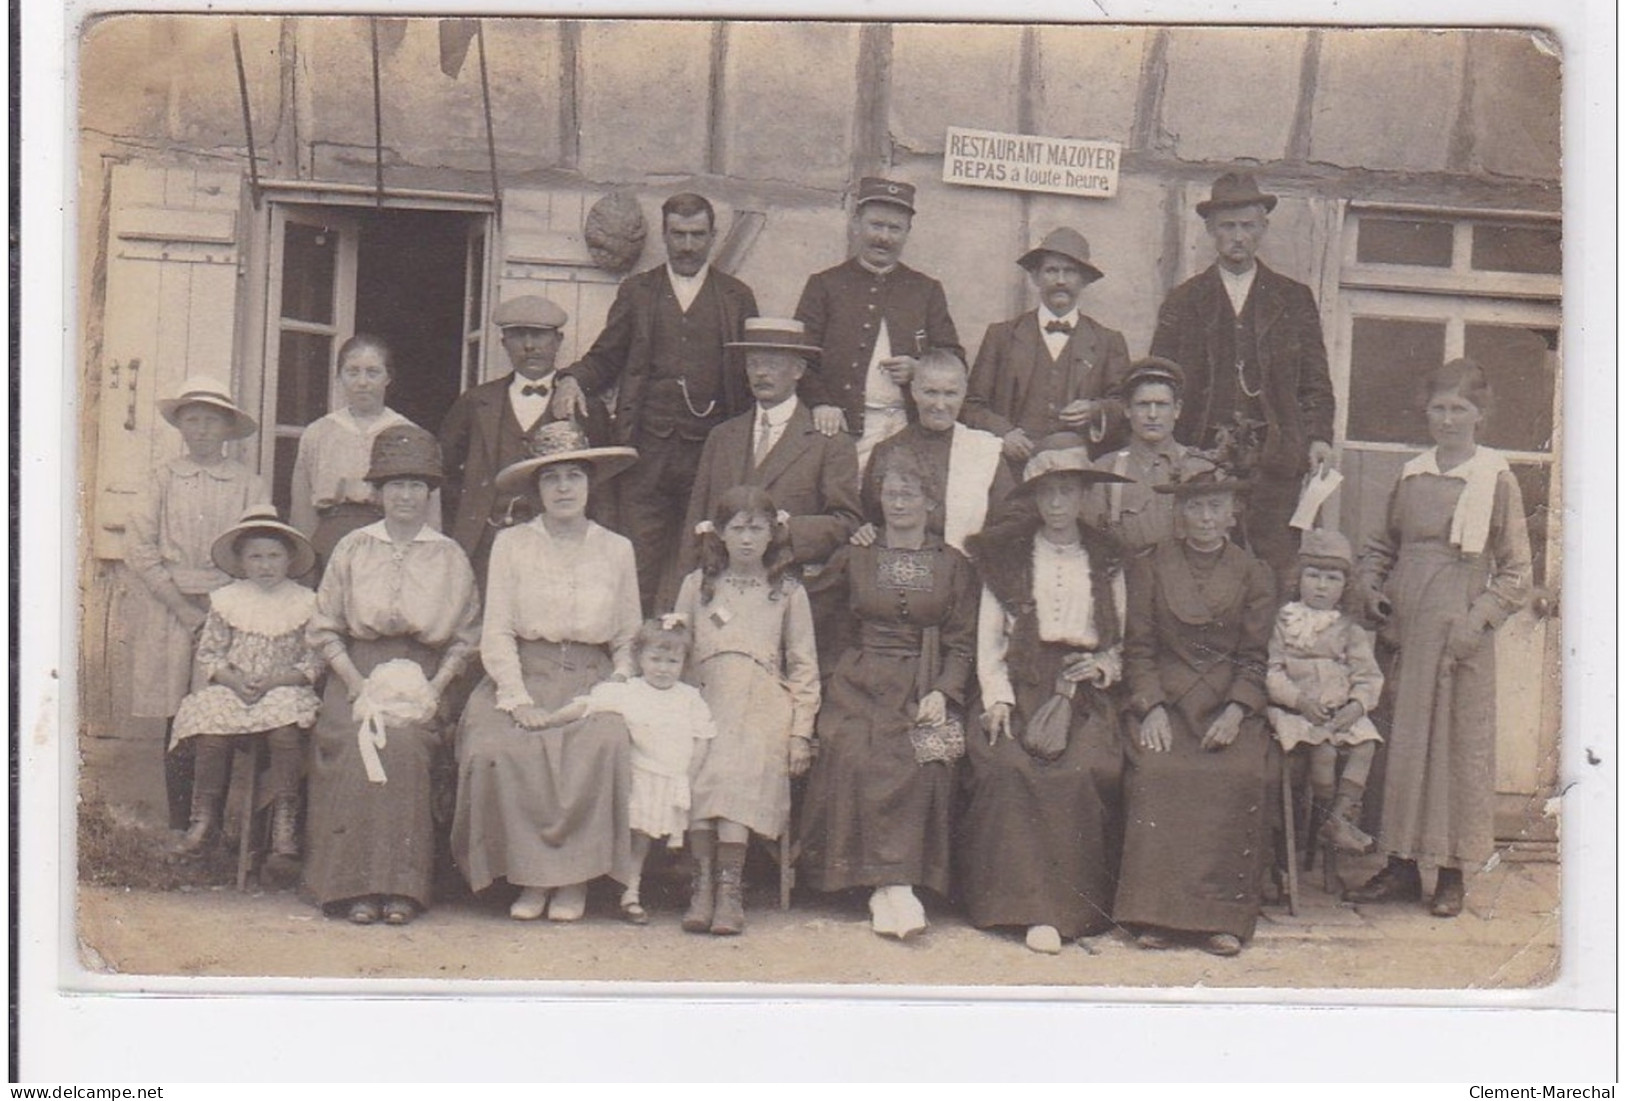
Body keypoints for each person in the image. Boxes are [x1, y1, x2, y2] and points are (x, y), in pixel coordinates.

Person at [1348, 359, 1532, 918]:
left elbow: (1517, 571)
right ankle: (1400, 866)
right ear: (1425, 412)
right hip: (1405, 625)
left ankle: (1451, 872)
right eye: (1439, 408)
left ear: (1481, 414)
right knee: (1400, 746)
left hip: (1458, 632)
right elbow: (1382, 545)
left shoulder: (1495, 478)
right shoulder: (1411, 474)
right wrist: (1373, 588)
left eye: (1460, 409)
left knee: (1455, 748)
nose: (1448, 420)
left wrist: (1476, 621)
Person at [451, 420, 643, 924]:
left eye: (573, 477)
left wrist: (613, 687)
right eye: (551, 478)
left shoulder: (615, 548)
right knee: (499, 746)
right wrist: (516, 697)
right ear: (537, 489)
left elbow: (627, 637)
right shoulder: (513, 544)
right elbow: (496, 631)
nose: (563, 489)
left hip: (592, 675)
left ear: (589, 484)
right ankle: (531, 878)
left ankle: (573, 881)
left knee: (602, 742)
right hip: (525, 672)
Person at [961, 435, 1133, 954]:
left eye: (1068, 493)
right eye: (1048, 494)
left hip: (1083, 696)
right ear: (1035, 500)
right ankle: (1015, 906)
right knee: (1009, 767)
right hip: (1020, 685)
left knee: (1079, 773)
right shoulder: (1008, 555)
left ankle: (1067, 910)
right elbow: (989, 641)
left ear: (1084, 498)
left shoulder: (1107, 557)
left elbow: (1123, 639)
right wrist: (997, 699)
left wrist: (1101, 666)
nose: (1058, 505)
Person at [549, 193, 761, 614]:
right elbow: (606, 356)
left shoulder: (736, 296)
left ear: (713, 237)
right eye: (678, 235)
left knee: (705, 556)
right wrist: (571, 378)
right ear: (663, 235)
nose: (687, 246)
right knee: (637, 559)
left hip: (709, 453)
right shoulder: (639, 292)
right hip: (646, 454)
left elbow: (755, 372)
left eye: (697, 235)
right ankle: (631, 656)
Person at [304, 426, 480, 926]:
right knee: (357, 738)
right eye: (395, 484)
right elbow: (324, 627)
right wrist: (355, 682)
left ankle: (403, 886)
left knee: (403, 747)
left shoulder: (448, 555)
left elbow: (466, 636)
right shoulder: (353, 548)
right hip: (355, 670)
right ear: (378, 492)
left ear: (430, 493)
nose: (406, 495)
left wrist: (435, 689)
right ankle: (351, 887)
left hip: (425, 674)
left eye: (417, 485)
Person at [798, 450, 977, 941]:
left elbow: (962, 641)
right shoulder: (860, 553)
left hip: (923, 684)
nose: (898, 503)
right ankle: (880, 885)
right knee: (852, 750)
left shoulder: (952, 563)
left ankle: (900, 884)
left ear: (930, 501)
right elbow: (816, 614)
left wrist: (945, 690)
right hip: (859, 683)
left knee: (927, 758)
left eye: (909, 494)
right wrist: (835, 675)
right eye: (890, 493)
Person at [1114, 467, 1277, 956]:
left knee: (1240, 773)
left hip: (1228, 705)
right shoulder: (1151, 565)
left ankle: (1221, 918)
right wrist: (1151, 706)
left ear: (1233, 513)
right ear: (1179, 513)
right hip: (1166, 699)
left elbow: (1255, 656)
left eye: (1215, 506)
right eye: (1195, 506)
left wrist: (1237, 709)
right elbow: (1137, 649)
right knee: (1158, 770)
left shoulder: (1254, 572)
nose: (1205, 517)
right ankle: (1157, 915)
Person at [1149, 172, 1336, 586]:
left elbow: (1315, 380)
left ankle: (1267, 649)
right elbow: (1159, 379)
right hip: (1203, 453)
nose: (1238, 237)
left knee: (1274, 563)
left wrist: (1319, 436)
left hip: (1277, 458)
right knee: (1205, 560)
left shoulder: (1293, 298)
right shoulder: (1184, 300)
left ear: (1263, 228)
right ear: (1211, 231)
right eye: (1228, 227)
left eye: (1248, 226)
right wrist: (1173, 448)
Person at [672, 487, 820, 936]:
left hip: (761, 700)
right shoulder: (698, 586)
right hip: (703, 694)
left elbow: (803, 665)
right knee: (701, 755)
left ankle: (729, 887)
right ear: (719, 533)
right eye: (737, 528)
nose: (747, 539)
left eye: (757, 529)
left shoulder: (787, 592)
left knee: (736, 757)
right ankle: (702, 887)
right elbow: (677, 649)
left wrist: (800, 731)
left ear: (773, 533)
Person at [125, 376, 269, 832]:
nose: (202, 430)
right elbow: (140, 548)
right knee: (177, 714)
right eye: (193, 420)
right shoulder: (162, 478)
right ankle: (179, 827)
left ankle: (210, 829)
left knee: (216, 710)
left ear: (228, 429)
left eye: (212, 421)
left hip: (228, 609)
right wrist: (182, 606)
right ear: (180, 426)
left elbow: (259, 549)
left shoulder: (248, 484)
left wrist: (224, 608)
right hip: (169, 608)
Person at [529, 616, 718, 925]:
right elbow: (586, 705)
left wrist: (688, 778)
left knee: (681, 839)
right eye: (655, 659)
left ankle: (694, 895)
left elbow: (702, 738)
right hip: (642, 777)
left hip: (677, 780)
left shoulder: (688, 697)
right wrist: (550, 720)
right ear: (639, 657)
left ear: (684, 662)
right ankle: (629, 895)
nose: (662, 668)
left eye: (672, 661)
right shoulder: (628, 691)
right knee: (638, 839)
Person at [167, 506, 322, 870]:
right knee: (211, 728)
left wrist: (275, 681)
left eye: (273, 556)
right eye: (255, 557)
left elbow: (313, 663)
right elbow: (210, 653)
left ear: (289, 559)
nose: (265, 565)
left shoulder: (305, 602)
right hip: (236, 689)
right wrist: (234, 680)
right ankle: (204, 821)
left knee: (286, 731)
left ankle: (285, 826)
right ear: (241, 561)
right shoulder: (227, 600)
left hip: (283, 688)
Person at [794, 176, 963, 471]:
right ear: (857, 224)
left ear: (907, 232)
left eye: (894, 228)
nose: (883, 237)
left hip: (907, 426)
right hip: (841, 427)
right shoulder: (825, 285)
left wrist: (918, 368)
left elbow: (953, 358)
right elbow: (799, 359)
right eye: (876, 225)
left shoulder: (926, 289)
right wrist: (821, 404)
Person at [438, 295, 612, 581]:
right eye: (519, 335)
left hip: (558, 544)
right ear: (504, 342)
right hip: (484, 545)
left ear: (558, 341)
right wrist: (466, 522)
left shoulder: (585, 407)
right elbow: (444, 474)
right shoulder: (475, 402)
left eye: (539, 335)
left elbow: (602, 485)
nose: (529, 346)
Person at [679, 318, 861, 584]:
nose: (760, 373)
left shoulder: (829, 442)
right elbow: (696, 523)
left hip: (791, 586)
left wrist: (787, 532)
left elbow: (847, 523)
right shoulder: (722, 436)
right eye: (753, 363)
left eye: (772, 364)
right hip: (720, 588)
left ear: (798, 370)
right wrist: (689, 594)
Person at [963, 227, 1133, 471]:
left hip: (1079, 471)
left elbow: (1124, 406)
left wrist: (1096, 410)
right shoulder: (1001, 337)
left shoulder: (1108, 341)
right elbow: (971, 406)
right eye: (1051, 270)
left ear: (1084, 279)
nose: (1061, 280)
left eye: (1070, 271)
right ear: (1035, 277)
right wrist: (1004, 434)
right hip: (1012, 469)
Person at [1265, 528, 1384, 856]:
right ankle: (1317, 824)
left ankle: (1338, 818)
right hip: (1297, 712)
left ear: (1345, 586)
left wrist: (1357, 706)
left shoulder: (1349, 629)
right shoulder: (1284, 621)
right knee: (1325, 756)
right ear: (1298, 579)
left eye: (1332, 579)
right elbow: (1272, 672)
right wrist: (1299, 701)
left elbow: (1368, 677)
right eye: (1313, 576)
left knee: (1366, 745)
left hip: (1337, 714)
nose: (1321, 586)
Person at [289, 334, 441, 571]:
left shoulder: (409, 433)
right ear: (339, 376)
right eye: (353, 372)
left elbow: (430, 507)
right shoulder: (318, 432)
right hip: (331, 537)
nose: (362, 382)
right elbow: (302, 507)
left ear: (387, 378)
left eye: (372, 372)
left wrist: (428, 557)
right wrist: (304, 560)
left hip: (392, 539)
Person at [856, 349, 1013, 553]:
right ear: (914, 391)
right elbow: (871, 519)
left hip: (967, 568)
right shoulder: (887, 450)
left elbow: (1008, 521)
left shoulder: (985, 449)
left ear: (964, 393)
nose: (940, 405)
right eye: (931, 392)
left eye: (950, 393)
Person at [1085, 357, 1216, 553]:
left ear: (1177, 410)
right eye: (1143, 404)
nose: (1152, 414)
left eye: (1162, 405)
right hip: (1127, 577)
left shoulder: (1201, 469)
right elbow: (1092, 543)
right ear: (1127, 410)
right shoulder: (1105, 471)